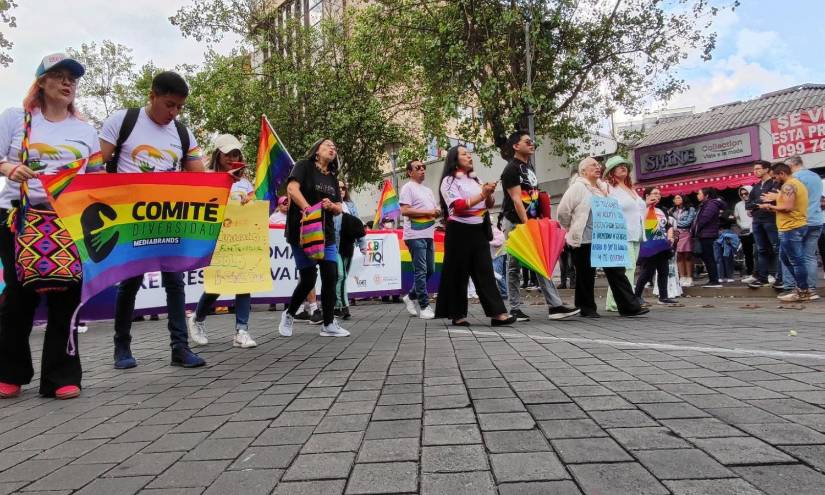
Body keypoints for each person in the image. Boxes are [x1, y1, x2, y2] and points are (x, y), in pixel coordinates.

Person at [0, 53, 102, 400]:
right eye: (58, 76)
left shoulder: (86, 131)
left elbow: (98, 179)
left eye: (72, 78)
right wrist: (10, 169)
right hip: (17, 217)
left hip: (68, 222)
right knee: (17, 297)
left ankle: (61, 377)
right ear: (41, 82)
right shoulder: (16, 118)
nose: (67, 83)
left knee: (67, 297)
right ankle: (9, 372)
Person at [100, 71, 207, 369]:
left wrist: (225, 181)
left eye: (179, 108)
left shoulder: (183, 133)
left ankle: (180, 347)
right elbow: (95, 164)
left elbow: (200, 176)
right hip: (130, 218)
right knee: (130, 282)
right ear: (153, 95)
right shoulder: (123, 121)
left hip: (169, 216)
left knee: (175, 281)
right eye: (169, 105)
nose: (173, 113)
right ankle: (121, 346)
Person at [186, 134, 257, 349]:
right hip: (215, 238)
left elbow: (254, 204)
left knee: (245, 281)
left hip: (241, 238)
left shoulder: (245, 182)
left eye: (236, 153)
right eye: (228, 153)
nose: (232, 157)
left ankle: (241, 330)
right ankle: (197, 318)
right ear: (218, 154)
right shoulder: (206, 177)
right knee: (218, 283)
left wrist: (249, 202)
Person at [499, 130, 578, 321]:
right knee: (513, 266)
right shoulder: (511, 169)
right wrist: (527, 227)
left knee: (539, 261)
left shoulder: (529, 167)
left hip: (532, 221)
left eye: (532, 141)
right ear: (516, 146)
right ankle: (516, 309)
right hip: (517, 223)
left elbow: (533, 196)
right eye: (527, 141)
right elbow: (517, 201)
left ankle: (555, 306)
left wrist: (540, 218)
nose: (532, 144)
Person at [435, 145, 516, 326]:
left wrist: (488, 194)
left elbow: (487, 204)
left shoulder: (474, 178)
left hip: (478, 229)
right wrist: (482, 194)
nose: (469, 156)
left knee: (485, 271)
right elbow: (457, 206)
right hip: (459, 231)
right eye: (464, 154)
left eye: (469, 153)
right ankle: (457, 314)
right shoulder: (448, 181)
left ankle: (498, 313)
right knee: (458, 273)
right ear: (455, 159)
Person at [556, 157, 647, 318]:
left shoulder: (603, 188)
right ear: (583, 171)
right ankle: (587, 308)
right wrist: (570, 228)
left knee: (617, 271)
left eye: (598, 165)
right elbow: (563, 211)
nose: (598, 167)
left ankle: (629, 306)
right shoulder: (578, 187)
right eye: (593, 165)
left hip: (605, 238)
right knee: (585, 275)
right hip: (584, 238)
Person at [278, 138, 350, 338]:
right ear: (317, 151)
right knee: (309, 278)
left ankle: (328, 324)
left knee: (331, 275)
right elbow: (292, 189)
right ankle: (290, 313)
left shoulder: (333, 178)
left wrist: (331, 206)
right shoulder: (303, 166)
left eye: (335, 147)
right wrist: (308, 210)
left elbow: (338, 208)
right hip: (302, 231)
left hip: (325, 233)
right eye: (328, 145)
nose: (332, 148)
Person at [759, 162, 812, 302]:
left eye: (775, 177)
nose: (774, 180)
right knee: (786, 258)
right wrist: (776, 199)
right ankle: (802, 287)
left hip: (791, 227)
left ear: (782, 174)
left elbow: (787, 207)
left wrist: (769, 206)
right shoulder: (795, 184)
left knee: (796, 261)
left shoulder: (788, 185)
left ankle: (803, 291)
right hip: (793, 226)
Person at [603, 155, 645, 312]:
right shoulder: (608, 187)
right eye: (618, 166)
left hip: (635, 233)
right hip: (620, 233)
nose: (623, 167)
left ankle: (613, 301)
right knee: (626, 269)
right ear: (611, 172)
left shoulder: (630, 188)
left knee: (628, 269)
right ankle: (625, 302)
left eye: (624, 165)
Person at [399, 159, 440, 319]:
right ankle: (424, 306)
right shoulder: (407, 188)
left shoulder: (428, 190)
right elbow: (404, 210)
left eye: (424, 167)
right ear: (410, 172)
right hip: (414, 235)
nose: (422, 169)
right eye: (418, 168)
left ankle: (410, 296)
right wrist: (429, 212)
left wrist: (436, 211)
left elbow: (433, 209)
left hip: (429, 234)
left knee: (430, 270)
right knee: (421, 271)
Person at [780, 156, 823, 294]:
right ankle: (810, 287)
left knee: (791, 256)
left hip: (798, 221)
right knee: (810, 256)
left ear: (792, 165)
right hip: (817, 220)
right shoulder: (816, 176)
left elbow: (789, 203)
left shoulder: (793, 179)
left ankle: (794, 286)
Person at [634, 188, 678, 305]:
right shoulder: (641, 208)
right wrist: (647, 205)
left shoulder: (662, 209)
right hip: (648, 245)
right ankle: (637, 296)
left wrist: (670, 237)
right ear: (647, 195)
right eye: (654, 193)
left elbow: (668, 226)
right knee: (647, 272)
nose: (658, 196)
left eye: (659, 194)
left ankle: (663, 297)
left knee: (664, 271)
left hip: (662, 245)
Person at [334, 179, 366, 320]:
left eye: (343, 188)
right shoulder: (328, 205)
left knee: (342, 277)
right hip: (332, 246)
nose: (341, 190)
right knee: (340, 275)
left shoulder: (350, 206)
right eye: (338, 187)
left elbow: (358, 226)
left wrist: (362, 244)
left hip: (348, 246)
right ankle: (342, 306)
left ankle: (336, 306)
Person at [746, 160, 781, 289]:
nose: (755, 171)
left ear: (767, 169)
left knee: (777, 248)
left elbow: (769, 200)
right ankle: (762, 277)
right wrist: (757, 204)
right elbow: (748, 204)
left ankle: (780, 277)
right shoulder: (755, 186)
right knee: (761, 250)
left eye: (758, 168)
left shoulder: (774, 183)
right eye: (754, 169)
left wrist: (756, 204)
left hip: (771, 220)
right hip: (757, 221)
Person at [691, 187, 726, 288]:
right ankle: (712, 279)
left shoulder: (711, 204)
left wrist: (695, 228)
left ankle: (714, 281)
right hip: (704, 234)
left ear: (706, 195)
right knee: (706, 258)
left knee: (709, 258)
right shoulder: (705, 204)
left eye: (699, 193)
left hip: (707, 235)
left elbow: (704, 219)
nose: (697, 195)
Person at [669, 194, 696, 287]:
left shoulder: (690, 209)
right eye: (675, 198)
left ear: (683, 198)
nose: (676, 199)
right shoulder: (672, 210)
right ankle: (682, 277)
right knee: (679, 256)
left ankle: (689, 277)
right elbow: (669, 222)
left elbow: (688, 222)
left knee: (687, 255)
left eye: (678, 197)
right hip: (676, 234)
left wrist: (675, 223)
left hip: (686, 233)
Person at [734, 186, 755, 282]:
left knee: (758, 252)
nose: (744, 195)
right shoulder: (738, 205)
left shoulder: (755, 202)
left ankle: (761, 273)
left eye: (746, 193)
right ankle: (750, 272)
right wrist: (741, 225)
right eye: (741, 194)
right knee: (747, 253)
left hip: (755, 230)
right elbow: (737, 218)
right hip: (744, 231)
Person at [714, 217, 741, 283]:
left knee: (719, 259)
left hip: (717, 238)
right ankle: (729, 276)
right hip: (727, 238)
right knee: (728, 259)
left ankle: (721, 276)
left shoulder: (718, 226)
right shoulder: (731, 233)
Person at [491, 216, 507, 299]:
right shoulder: (486, 230)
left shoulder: (495, 230)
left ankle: (504, 293)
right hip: (493, 255)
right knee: (500, 275)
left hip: (499, 255)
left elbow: (499, 242)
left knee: (498, 275)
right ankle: (503, 292)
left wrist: (488, 242)